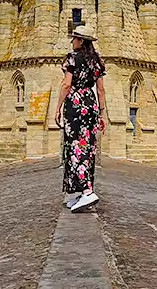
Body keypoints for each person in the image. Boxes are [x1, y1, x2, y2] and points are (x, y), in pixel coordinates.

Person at [55, 24, 106, 212]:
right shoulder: (97, 62)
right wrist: (102, 114)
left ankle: (86, 191)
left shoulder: (72, 59)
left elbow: (66, 85)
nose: (72, 41)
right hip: (90, 105)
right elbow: (100, 90)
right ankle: (74, 194)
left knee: (75, 147)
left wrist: (57, 108)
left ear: (81, 41)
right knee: (87, 148)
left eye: (74, 38)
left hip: (75, 105)